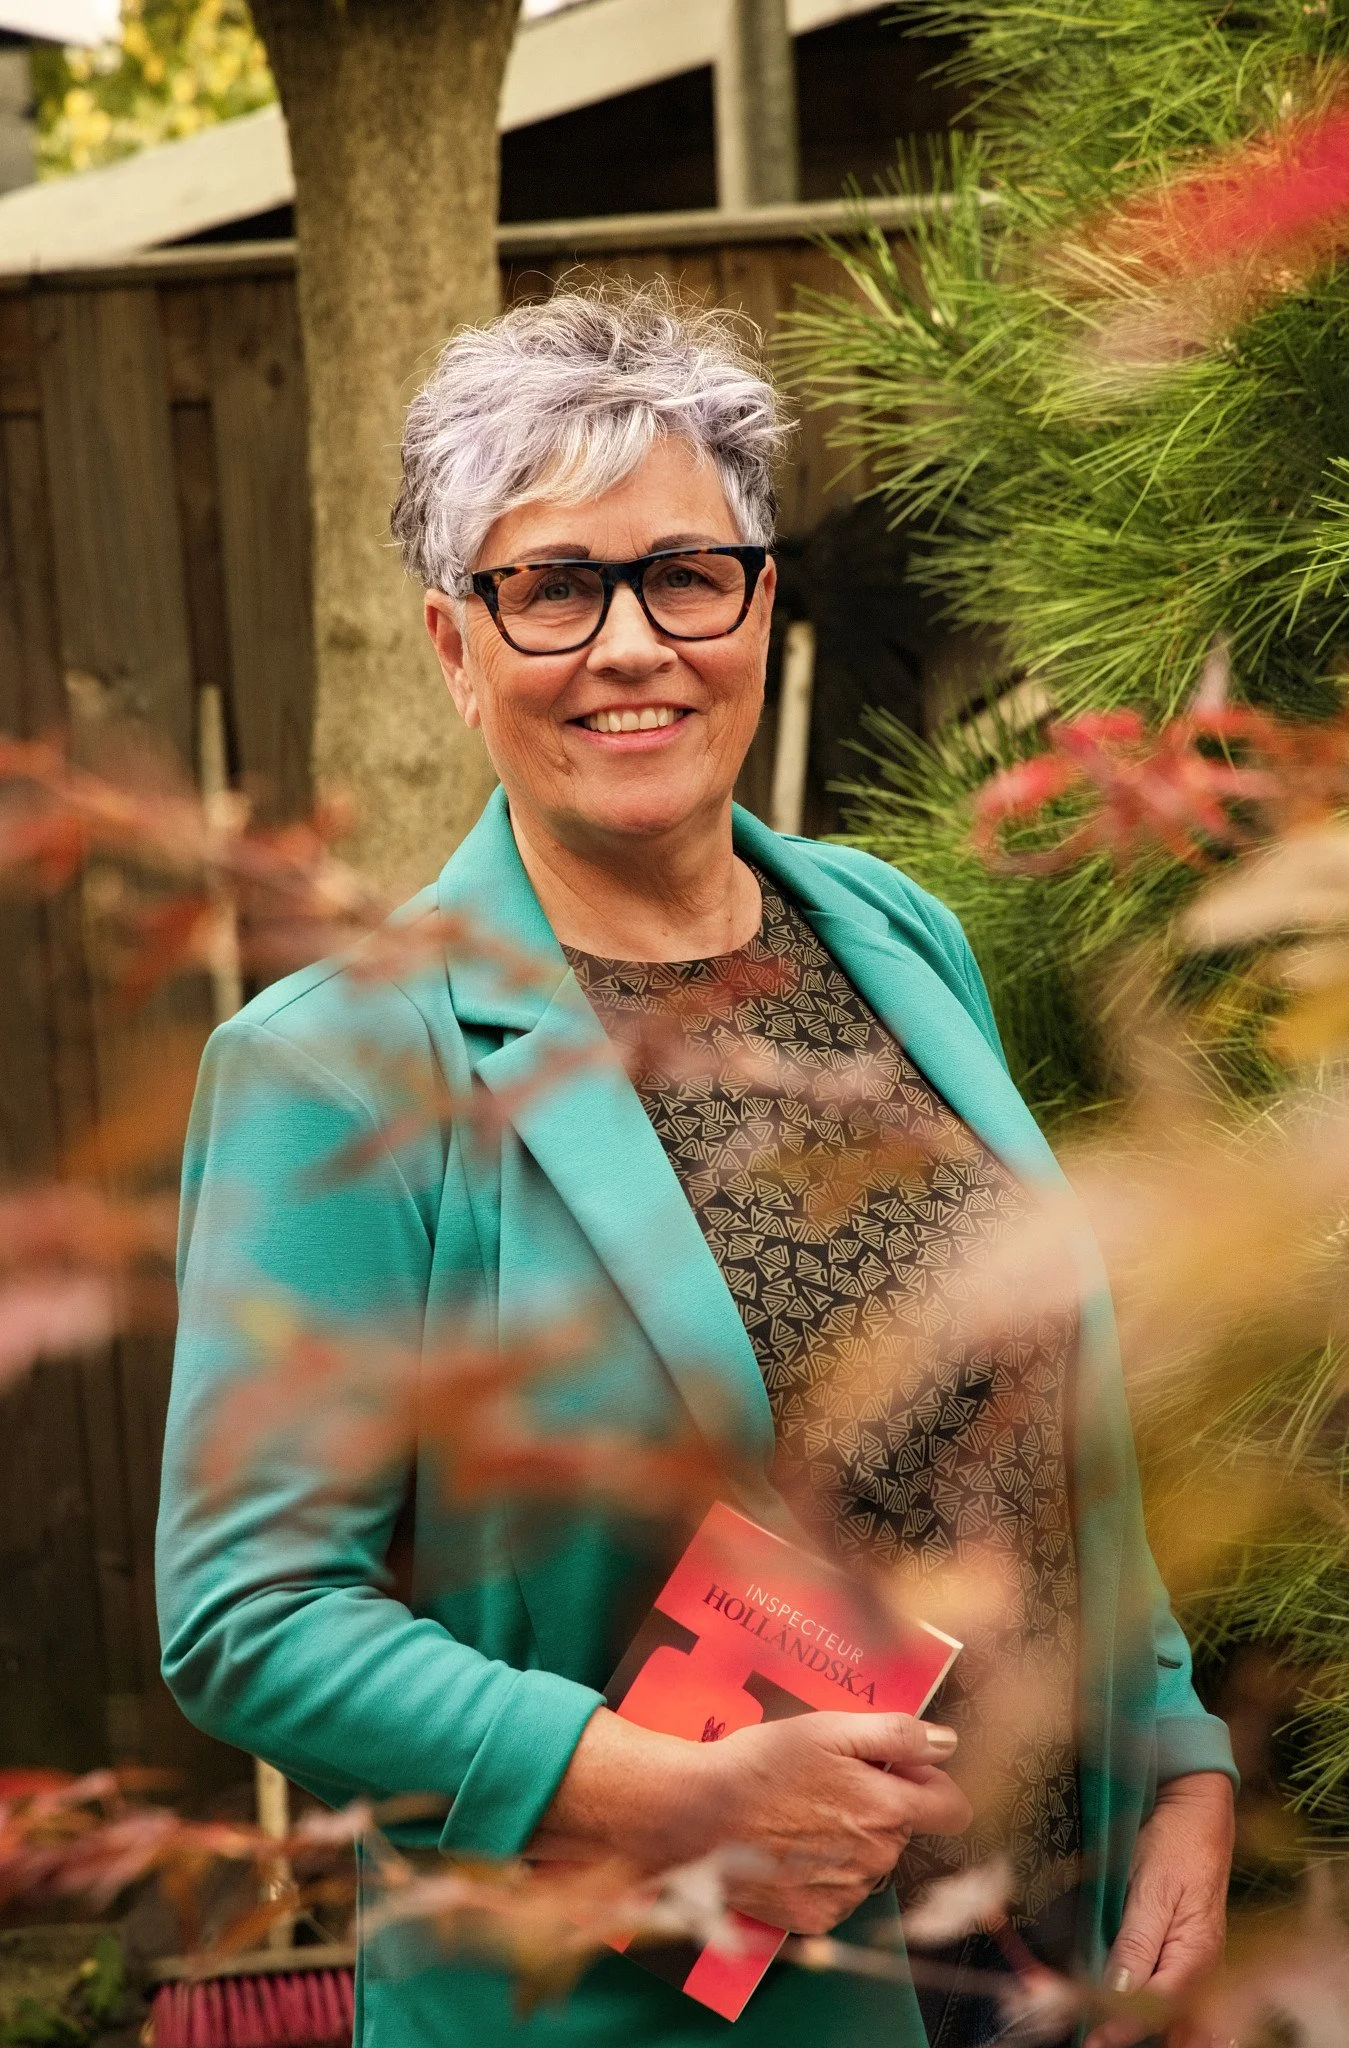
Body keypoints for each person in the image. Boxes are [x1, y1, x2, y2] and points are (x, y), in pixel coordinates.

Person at [157, 285, 1236, 2048]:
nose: (633, 643)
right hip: (658, 1997)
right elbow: (249, 1615)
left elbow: (1035, 1394)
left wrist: (1174, 1747)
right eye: (554, 586)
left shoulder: (887, 930)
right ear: (454, 647)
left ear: (755, 599)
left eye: (685, 572)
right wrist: (655, 1791)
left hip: (1048, 1936)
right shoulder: (340, 1063)